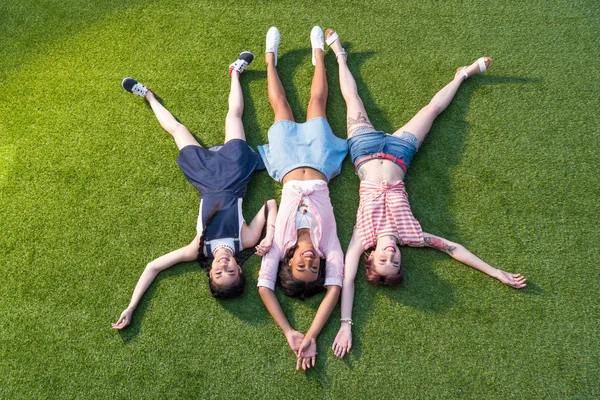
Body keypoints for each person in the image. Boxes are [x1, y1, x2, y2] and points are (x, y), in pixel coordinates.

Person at [325, 29, 527, 359]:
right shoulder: (413, 236)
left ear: (371, 258)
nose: (390, 254)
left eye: (383, 260)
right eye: (395, 260)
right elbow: (454, 249)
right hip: (400, 154)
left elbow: (347, 280)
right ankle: (463, 74)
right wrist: (495, 272)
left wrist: (346, 323)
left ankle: (339, 55)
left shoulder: (362, 238)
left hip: (363, 152)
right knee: (432, 109)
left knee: (353, 100)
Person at [112, 52, 277, 330]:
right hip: (234, 176)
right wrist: (270, 235)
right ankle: (235, 72)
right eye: (231, 271)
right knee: (234, 115)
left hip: (205, 179)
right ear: (239, 268)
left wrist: (131, 306)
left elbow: (153, 266)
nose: (224, 266)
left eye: (218, 272)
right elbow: (271, 203)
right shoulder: (245, 241)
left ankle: (149, 96)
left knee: (178, 130)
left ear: (209, 273)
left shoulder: (197, 249)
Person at [256, 27, 347, 370]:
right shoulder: (331, 248)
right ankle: (319, 55)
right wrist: (312, 334)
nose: (309, 260)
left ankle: (270, 59)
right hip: (321, 162)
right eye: (314, 267)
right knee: (317, 104)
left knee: (280, 106)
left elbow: (265, 287)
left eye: (301, 265)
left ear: (289, 262)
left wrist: (288, 331)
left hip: (289, 162)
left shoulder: (278, 245)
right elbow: (334, 292)